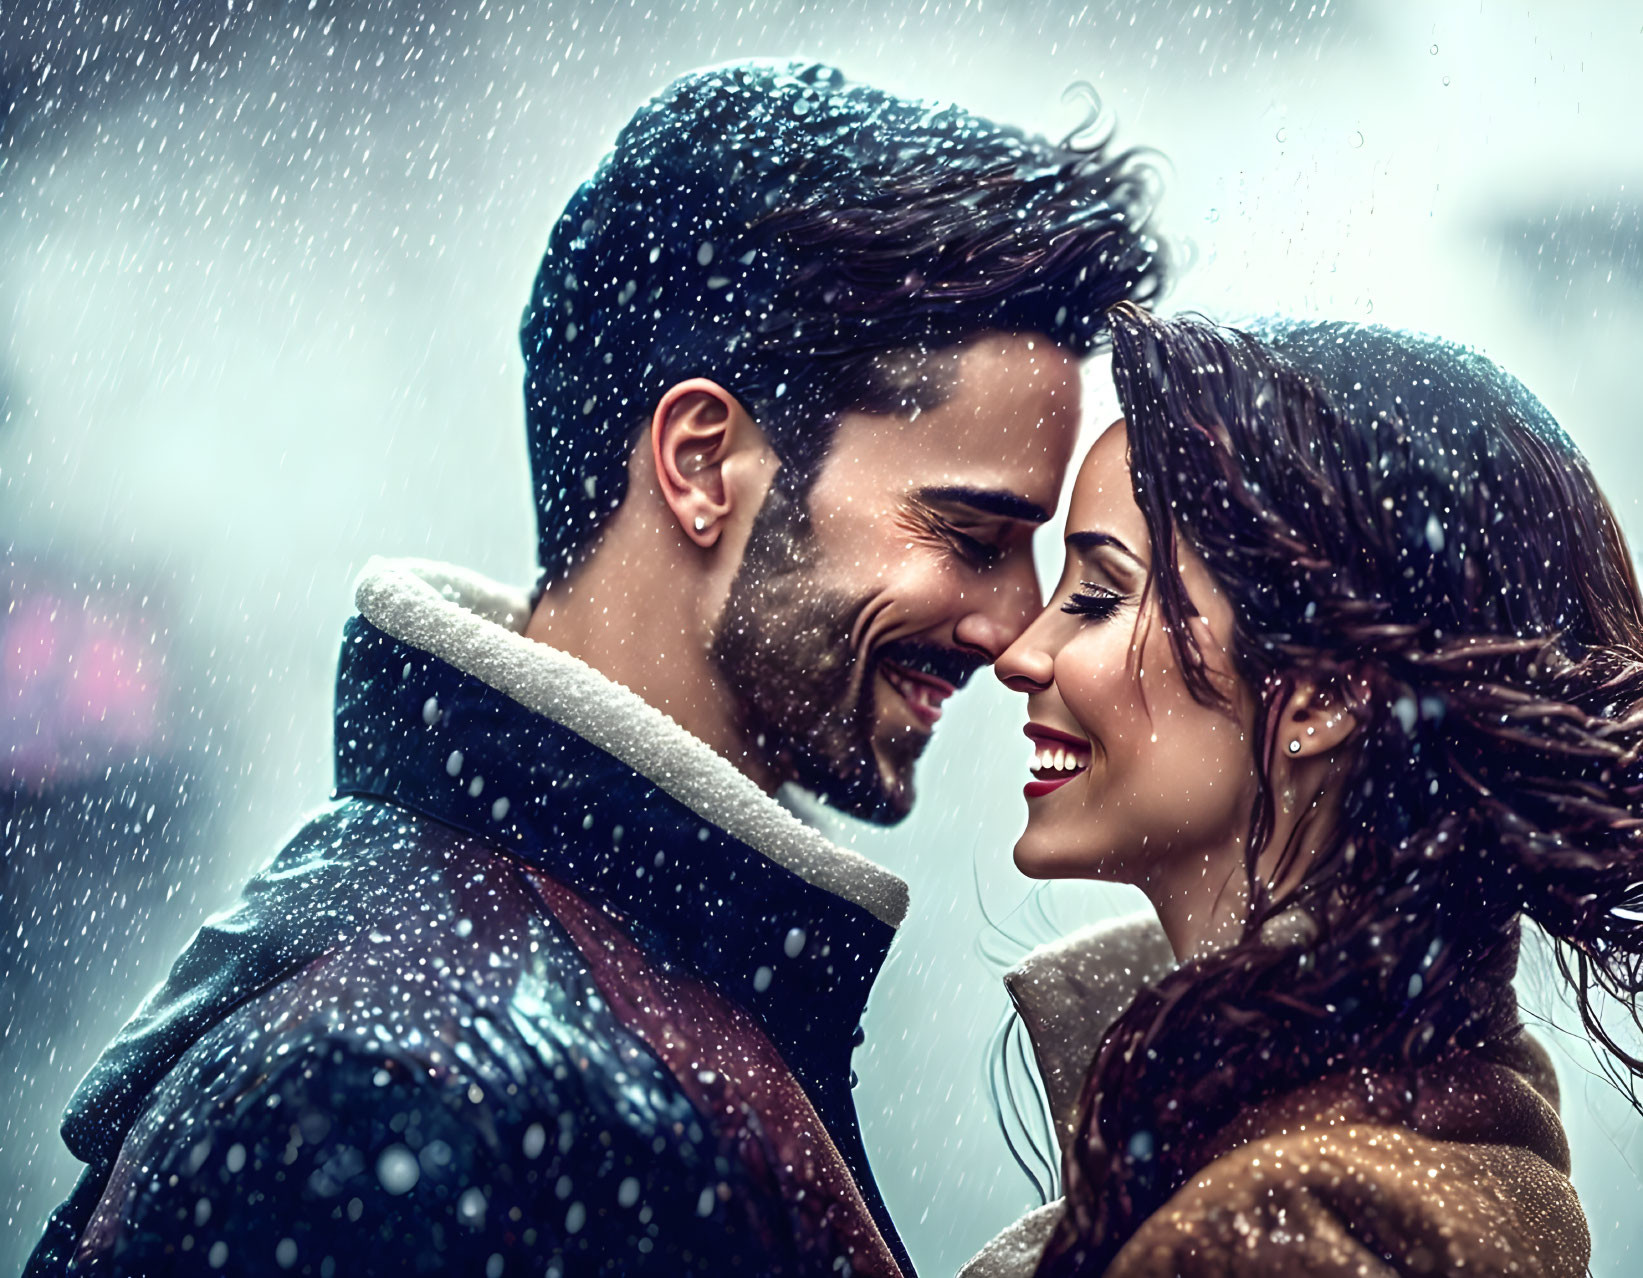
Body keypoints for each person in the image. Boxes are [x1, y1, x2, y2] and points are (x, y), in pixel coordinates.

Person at [26, 62, 1164, 1276]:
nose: (1015, 628)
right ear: (699, 463)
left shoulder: (567, 991)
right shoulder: (380, 1088)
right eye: (970, 538)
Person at [964, 302, 1643, 1276]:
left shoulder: (1275, 1241)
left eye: (1099, 597)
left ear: (1321, 694)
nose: (1023, 653)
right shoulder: (1408, 1151)